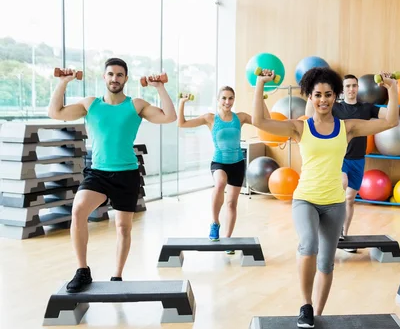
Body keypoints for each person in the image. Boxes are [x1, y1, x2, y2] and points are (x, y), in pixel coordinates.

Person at [253, 67, 399, 328]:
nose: (323, 100)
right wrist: (260, 85)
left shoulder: (348, 127)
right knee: (308, 244)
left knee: (327, 263)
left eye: (329, 94)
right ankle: (305, 305)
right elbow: (261, 123)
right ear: (309, 96)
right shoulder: (300, 127)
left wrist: (392, 88)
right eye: (318, 94)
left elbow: (391, 122)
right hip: (305, 199)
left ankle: (317, 315)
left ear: (336, 96)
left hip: (334, 203)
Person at [48, 58, 177, 292]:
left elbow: (169, 117)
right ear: (104, 77)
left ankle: (116, 276)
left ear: (125, 78)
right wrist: (64, 82)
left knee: (123, 228)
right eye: (110, 74)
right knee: (78, 211)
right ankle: (82, 271)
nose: (115, 79)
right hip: (98, 173)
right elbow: (55, 112)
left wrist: (160, 88)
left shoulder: (136, 105)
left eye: (119, 75)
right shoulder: (91, 105)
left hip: (127, 174)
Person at [178, 86, 270, 254]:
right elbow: (182, 123)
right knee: (220, 184)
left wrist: (262, 101)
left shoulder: (240, 117)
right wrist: (182, 102)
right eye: (224, 98)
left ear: (234, 100)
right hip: (219, 162)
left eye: (230, 98)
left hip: (237, 164)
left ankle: (227, 240)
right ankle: (215, 223)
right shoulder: (210, 118)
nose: (227, 102)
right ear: (218, 100)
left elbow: (264, 121)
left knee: (231, 203)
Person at [305, 74, 391, 253]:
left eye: (354, 85)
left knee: (350, 199)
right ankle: (326, 231)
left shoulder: (367, 108)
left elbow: (390, 116)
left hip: (358, 160)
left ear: (358, 88)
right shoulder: (334, 107)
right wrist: (311, 92)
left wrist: (392, 88)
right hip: (340, 159)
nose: (351, 89)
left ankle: (343, 233)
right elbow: (309, 115)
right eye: (348, 86)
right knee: (341, 187)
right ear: (342, 90)